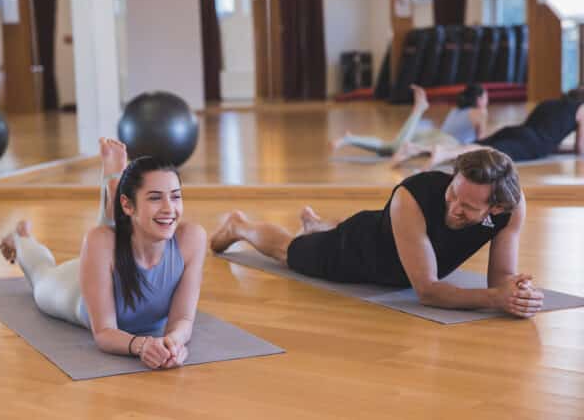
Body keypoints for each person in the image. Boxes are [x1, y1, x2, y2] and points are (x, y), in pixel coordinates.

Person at [210, 149, 544, 318]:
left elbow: (500, 277)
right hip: (359, 251)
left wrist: (516, 291)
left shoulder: (511, 206)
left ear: (496, 208)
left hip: (397, 239)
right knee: (288, 250)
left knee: (318, 235)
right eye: (452, 193)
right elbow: (427, 291)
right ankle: (240, 225)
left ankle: (318, 225)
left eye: (468, 207)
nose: (454, 206)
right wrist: (495, 299)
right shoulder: (412, 196)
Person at [0, 138, 207, 370]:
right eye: (155, 197)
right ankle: (21, 239)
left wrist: (174, 345)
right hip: (73, 290)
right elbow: (104, 333)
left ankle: (113, 186)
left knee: (109, 236)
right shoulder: (99, 241)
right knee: (41, 274)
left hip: (108, 259)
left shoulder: (192, 239)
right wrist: (143, 345)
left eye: (176, 196)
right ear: (128, 205)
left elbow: (182, 320)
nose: (169, 208)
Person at [395, 92, 584, 169]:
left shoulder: (550, 103)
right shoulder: (581, 110)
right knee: (484, 152)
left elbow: (539, 127)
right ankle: (442, 154)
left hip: (517, 131)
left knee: (472, 146)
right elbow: (580, 147)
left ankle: (416, 149)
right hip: (532, 143)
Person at [331, 84, 489, 157]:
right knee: (395, 149)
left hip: (434, 134)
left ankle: (349, 138)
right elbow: (482, 141)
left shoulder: (457, 109)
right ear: (479, 99)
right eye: (485, 97)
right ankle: (418, 109)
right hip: (447, 141)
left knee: (390, 147)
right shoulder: (481, 112)